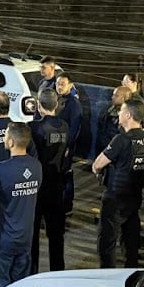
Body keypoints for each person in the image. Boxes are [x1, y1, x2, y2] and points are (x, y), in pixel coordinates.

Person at [91, 99, 144, 269]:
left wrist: (98, 172)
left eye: (121, 111)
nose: (118, 114)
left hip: (116, 197)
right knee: (131, 240)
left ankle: (107, 276)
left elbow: (97, 164)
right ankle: (131, 271)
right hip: (134, 197)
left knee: (107, 242)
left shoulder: (121, 139)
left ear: (128, 115)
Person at [0, 123, 42, 287]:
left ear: (10, 142)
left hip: (2, 239)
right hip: (25, 239)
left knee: (1, 286)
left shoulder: (0, 170)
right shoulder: (37, 167)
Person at [29, 90, 69, 273]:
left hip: (38, 187)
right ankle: (57, 271)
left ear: (39, 105)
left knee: (33, 235)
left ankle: (32, 271)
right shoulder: (65, 126)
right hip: (58, 185)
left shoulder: (35, 127)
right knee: (56, 235)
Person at [54, 72, 83, 214]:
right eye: (57, 84)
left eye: (62, 84)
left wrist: (68, 146)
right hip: (56, 144)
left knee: (65, 175)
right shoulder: (56, 99)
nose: (59, 87)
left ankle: (67, 205)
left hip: (65, 146)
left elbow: (75, 128)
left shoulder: (74, 104)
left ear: (70, 86)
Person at [96, 86, 130, 157]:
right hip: (103, 147)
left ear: (124, 98)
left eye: (116, 95)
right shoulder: (109, 109)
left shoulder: (128, 116)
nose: (112, 97)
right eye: (113, 95)